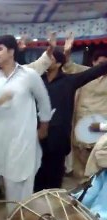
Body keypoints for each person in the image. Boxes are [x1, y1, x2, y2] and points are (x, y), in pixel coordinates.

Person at [0, 35, 52, 219]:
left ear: (12, 51)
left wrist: (44, 126)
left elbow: (43, 100)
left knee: (18, 180)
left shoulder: (29, 75)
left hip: (20, 139)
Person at [33, 46, 107, 192]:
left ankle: (54, 202)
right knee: (36, 171)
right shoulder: (36, 80)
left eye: (50, 58)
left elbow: (95, 71)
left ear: (59, 63)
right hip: (36, 133)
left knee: (54, 175)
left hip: (59, 135)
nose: (46, 61)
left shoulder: (70, 81)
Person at [63, 32, 107, 178]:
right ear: (93, 62)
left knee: (96, 155)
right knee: (79, 155)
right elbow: (68, 66)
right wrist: (67, 51)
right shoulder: (84, 72)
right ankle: (82, 189)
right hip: (81, 120)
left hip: (101, 122)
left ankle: (93, 187)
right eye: (100, 64)